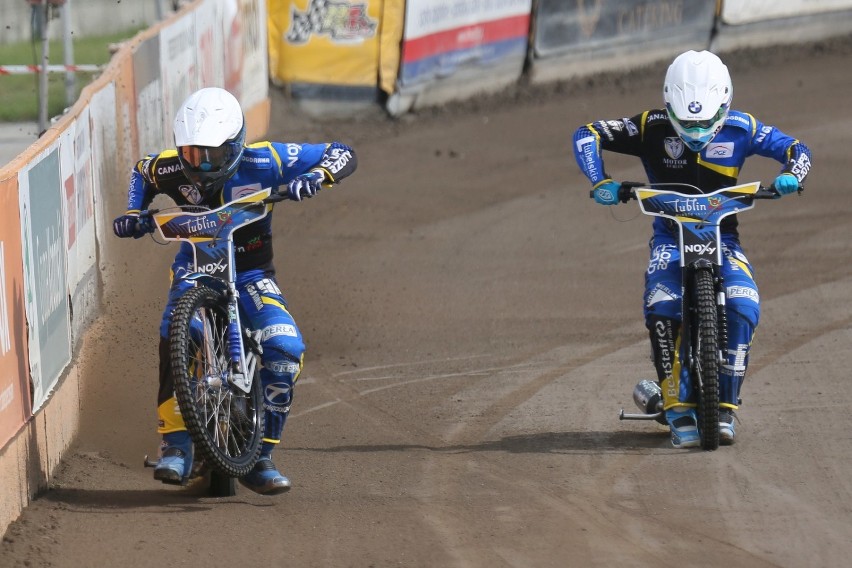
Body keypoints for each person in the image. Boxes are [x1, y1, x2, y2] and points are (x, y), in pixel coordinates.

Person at [113, 87, 358, 492]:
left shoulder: (267, 159)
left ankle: (261, 455)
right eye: (192, 153)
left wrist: (317, 175)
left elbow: (342, 151)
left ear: (236, 143)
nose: (200, 164)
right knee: (177, 329)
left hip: (251, 275)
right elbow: (142, 171)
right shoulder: (170, 168)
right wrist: (134, 213)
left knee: (285, 349)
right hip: (195, 270)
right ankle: (175, 445)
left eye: (211, 154)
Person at [572, 50, 811, 448]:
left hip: (723, 238)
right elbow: (587, 133)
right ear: (669, 106)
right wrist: (600, 180)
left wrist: (790, 174)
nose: (697, 132)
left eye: (706, 122)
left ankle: (724, 407)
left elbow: (799, 150)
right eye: (686, 122)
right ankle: (675, 402)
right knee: (662, 305)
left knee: (743, 303)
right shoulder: (650, 126)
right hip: (670, 237)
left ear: (725, 105)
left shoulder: (743, 127)